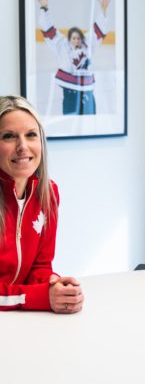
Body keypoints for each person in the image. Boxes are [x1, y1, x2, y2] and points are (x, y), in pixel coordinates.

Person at [0, 95, 84, 312]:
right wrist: (39, 297)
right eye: (9, 136)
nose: (23, 146)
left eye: (31, 135)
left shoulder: (48, 194)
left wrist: (55, 285)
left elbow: (40, 266)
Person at [37, 0, 110, 115]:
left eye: (78, 38)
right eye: (73, 38)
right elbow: (48, 28)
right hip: (70, 88)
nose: (76, 40)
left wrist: (103, 11)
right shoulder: (62, 45)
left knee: (90, 118)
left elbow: (98, 30)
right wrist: (45, 8)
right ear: (69, 39)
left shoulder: (87, 45)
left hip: (87, 89)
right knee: (70, 118)